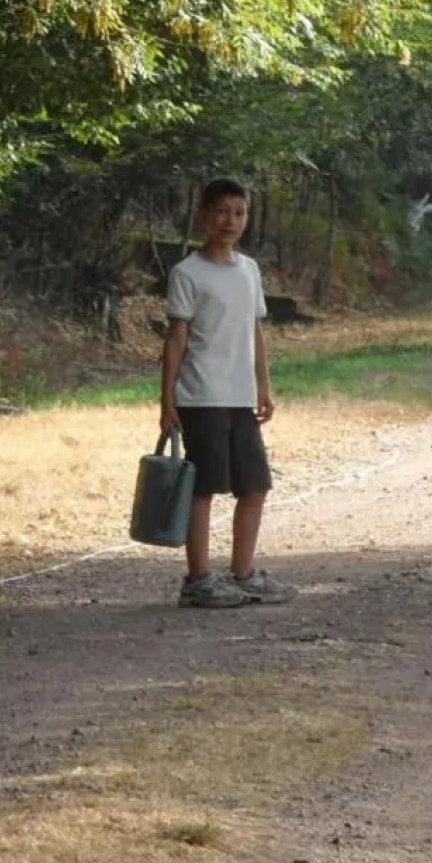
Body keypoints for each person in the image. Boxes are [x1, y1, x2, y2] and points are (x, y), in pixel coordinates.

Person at [159, 177, 295, 609]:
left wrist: (263, 386)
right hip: (201, 396)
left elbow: (255, 331)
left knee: (255, 485)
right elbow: (176, 339)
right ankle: (198, 579)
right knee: (202, 488)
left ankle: (244, 573)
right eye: (221, 211)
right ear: (202, 216)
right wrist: (167, 401)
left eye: (239, 213)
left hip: (240, 396)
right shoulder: (187, 273)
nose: (230, 221)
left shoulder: (249, 270)